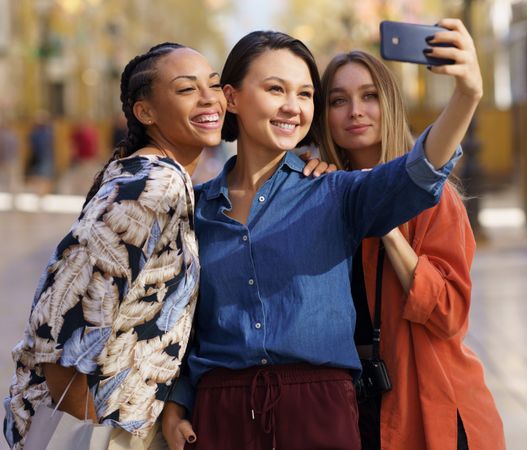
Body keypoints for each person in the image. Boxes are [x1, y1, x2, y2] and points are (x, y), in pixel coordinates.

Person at [162, 22, 474, 450]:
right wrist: (177, 403)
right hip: (220, 415)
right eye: (276, 89)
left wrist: (466, 97)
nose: (293, 106)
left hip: (319, 410)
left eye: (305, 94)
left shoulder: (334, 191)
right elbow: (182, 323)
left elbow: (416, 175)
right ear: (231, 97)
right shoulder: (194, 208)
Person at [3, 42, 225, 450]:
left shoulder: (157, 176)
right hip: (103, 429)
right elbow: (58, 327)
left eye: (213, 85)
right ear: (146, 112)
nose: (210, 98)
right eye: (186, 89)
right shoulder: (153, 186)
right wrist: (88, 433)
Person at [318, 21, 505, 450]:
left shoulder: (432, 198)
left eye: (369, 96)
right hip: (354, 407)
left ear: (389, 103)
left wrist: (386, 224)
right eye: (338, 100)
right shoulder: (322, 192)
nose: (355, 111)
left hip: (432, 406)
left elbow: (448, 314)